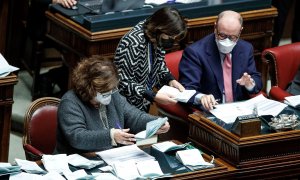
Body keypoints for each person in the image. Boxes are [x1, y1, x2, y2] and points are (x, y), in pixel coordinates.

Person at [54, 55, 170, 155]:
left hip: (111, 158)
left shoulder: (113, 95)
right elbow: (77, 137)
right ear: (88, 89)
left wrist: (156, 122)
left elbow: (134, 116)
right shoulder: (70, 102)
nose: (110, 95)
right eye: (104, 92)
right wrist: (110, 136)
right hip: (81, 161)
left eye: (111, 89)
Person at [179, 10, 263, 111]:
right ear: (215, 27)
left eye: (232, 37)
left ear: (240, 31)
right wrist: (201, 97)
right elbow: (187, 89)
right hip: (212, 110)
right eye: (222, 35)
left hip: (240, 109)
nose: (227, 41)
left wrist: (249, 84)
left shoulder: (245, 48)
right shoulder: (195, 52)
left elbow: (256, 79)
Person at [114, 7, 187, 112]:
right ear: (159, 29)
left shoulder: (157, 39)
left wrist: (170, 80)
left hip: (142, 104)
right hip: (125, 107)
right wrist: (152, 95)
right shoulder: (133, 42)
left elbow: (159, 64)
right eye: (170, 36)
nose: (172, 40)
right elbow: (122, 82)